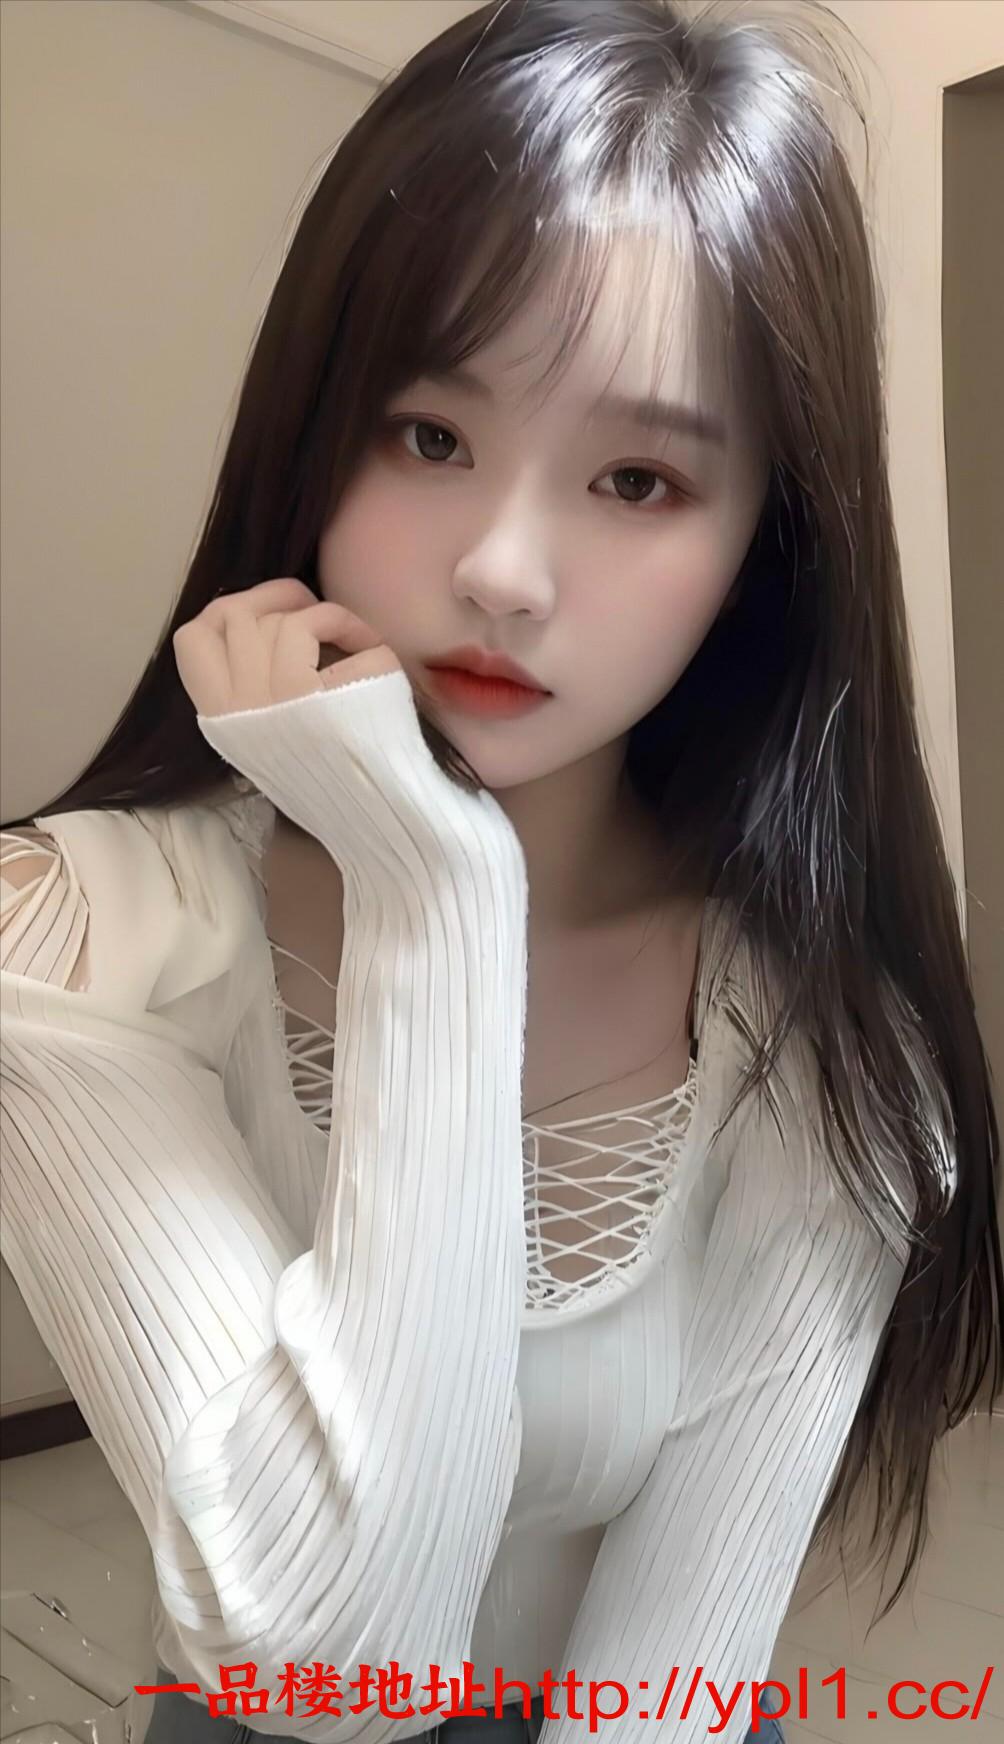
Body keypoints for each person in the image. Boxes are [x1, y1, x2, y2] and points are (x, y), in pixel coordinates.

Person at [1, 2, 1000, 1742]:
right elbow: (317, 1660)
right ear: (315, 433)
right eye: (430, 437)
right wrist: (438, 890)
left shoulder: (819, 1043)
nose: (506, 573)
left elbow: (671, 1687)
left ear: (763, 545)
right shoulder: (83, 942)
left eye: (638, 477)